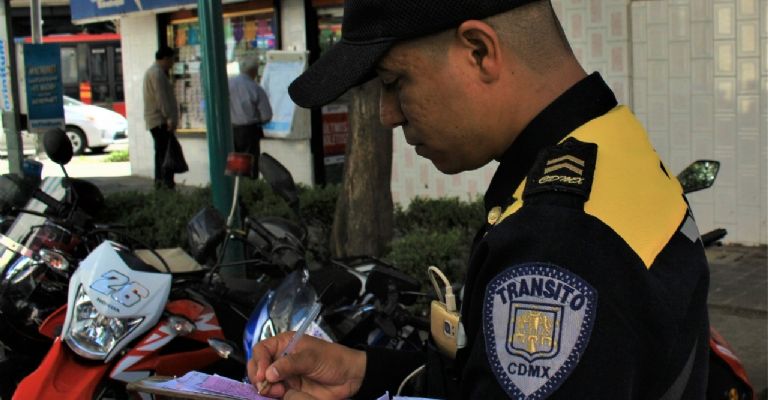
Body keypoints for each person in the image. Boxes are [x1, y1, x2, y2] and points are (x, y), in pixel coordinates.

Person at [248, 0, 711, 398]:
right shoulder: (612, 146)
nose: (387, 116)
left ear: (480, 51)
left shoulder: (557, 238)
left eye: (394, 82)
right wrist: (364, 373)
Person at [229, 56, 272, 176]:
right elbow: (266, 115)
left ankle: (236, 189)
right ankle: (249, 188)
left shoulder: (228, 84)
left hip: (230, 130)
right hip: (249, 131)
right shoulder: (255, 88)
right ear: (254, 71)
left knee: (233, 163)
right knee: (250, 165)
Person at [143, 46, 179, 189]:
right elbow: (162, 98)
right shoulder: (157, 74)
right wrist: (169, 117)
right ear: (165, 58)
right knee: (164, 154)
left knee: (162, 153)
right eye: (171, 60)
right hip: (159, 121)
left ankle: (163, 183)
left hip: (156, 120)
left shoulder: (153, 72)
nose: (172, 63)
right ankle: (164, 184)